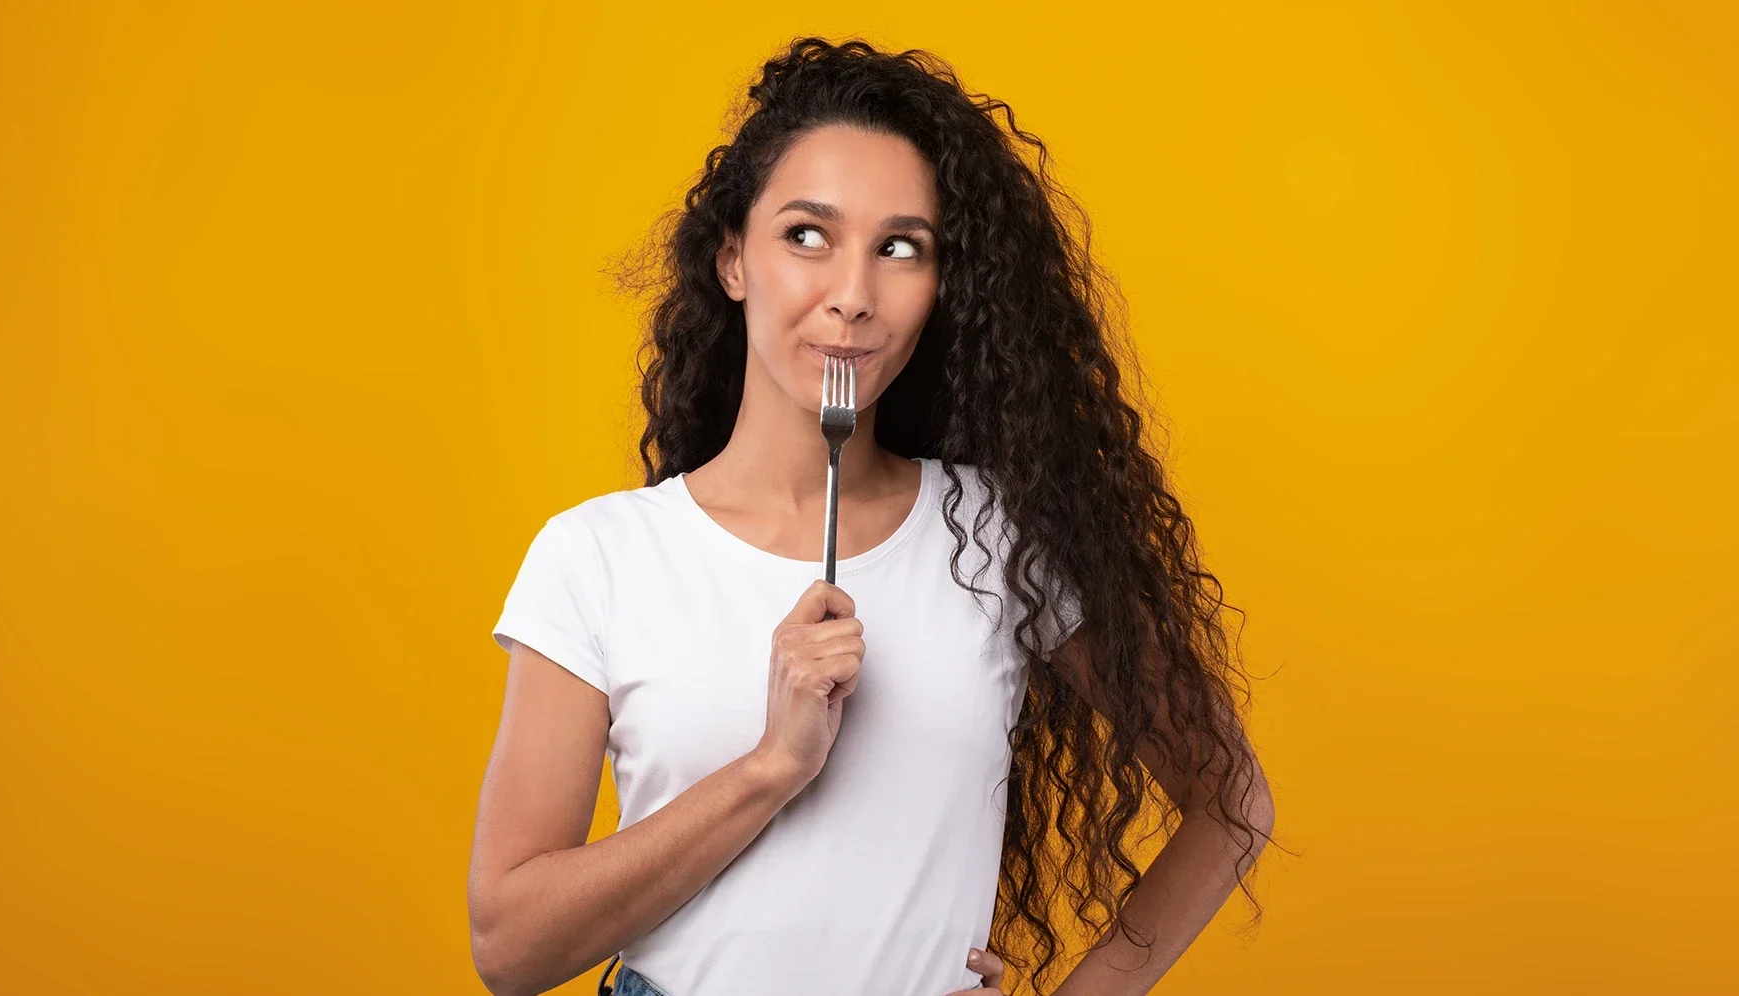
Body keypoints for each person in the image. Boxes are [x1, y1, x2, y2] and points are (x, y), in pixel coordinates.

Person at [467, 37, 1278, 996]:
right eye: (807, 235)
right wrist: (772, 767)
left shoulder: (1001, 535)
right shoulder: (597, 557)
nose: (851, 296)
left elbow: (1231, 802)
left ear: (942, 287)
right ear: (733, 259)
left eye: (901, 248)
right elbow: (511, 950)